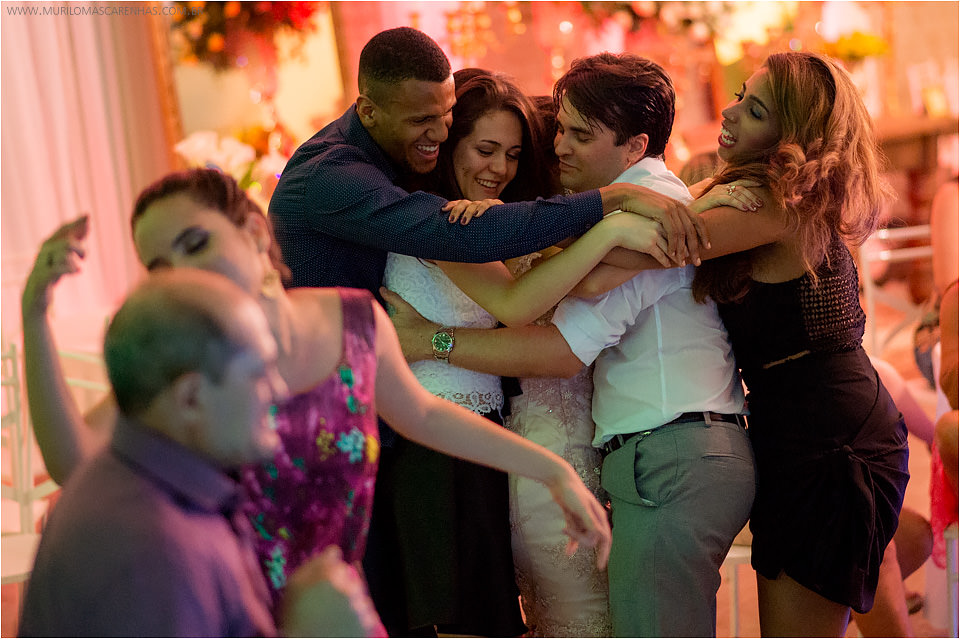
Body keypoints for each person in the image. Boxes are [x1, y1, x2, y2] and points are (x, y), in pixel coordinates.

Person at [388, 51, 911, 637]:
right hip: (776, 430)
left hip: (808, 436)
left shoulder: (758, 200)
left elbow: (576, 298)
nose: (731, 110)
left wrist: (440, 328)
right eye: (740, 92)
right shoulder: (712, 194)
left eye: (754, 107)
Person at [20, 170, 612, 624]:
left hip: (336, 612)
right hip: (228, 615)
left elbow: (425, 414)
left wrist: (551, 469)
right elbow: (74, 462)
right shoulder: (188, 367)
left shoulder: (352, 320)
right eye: (159, 265)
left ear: (253, 230)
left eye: (195, 243)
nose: (182, 272)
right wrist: (36, 318)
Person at [384, 53, 757, 638]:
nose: (555, 150)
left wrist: (428, 339)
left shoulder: (650, 206)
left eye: (578, 134)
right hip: (511, 447)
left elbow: (555, 343)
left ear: (634, 146)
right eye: (559, 130)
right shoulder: (458, 220)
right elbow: (543, 293)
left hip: (648, 450)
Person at [374, 69, 660, 636]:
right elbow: (519, 304)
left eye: (510, 154)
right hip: (436, 445)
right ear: (449, 143)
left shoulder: (487, 222)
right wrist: (609, 226)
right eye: (484, 149)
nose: (498, 169)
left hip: (484, 440)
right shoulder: (434, 222)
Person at [19, 269, 377, 637]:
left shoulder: (138, 482)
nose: (280, 390)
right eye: (259, 374)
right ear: (190, 398)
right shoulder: (156, 552)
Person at [267, 26, 713, 303]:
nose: (441, 135)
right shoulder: (330, 177)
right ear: (367, 111)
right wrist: (612, 200)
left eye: (445, 116)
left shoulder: (408, 145)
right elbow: (458, 237)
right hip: (334, 407)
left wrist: (722, 180)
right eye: (422, 121)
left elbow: (535, 118)